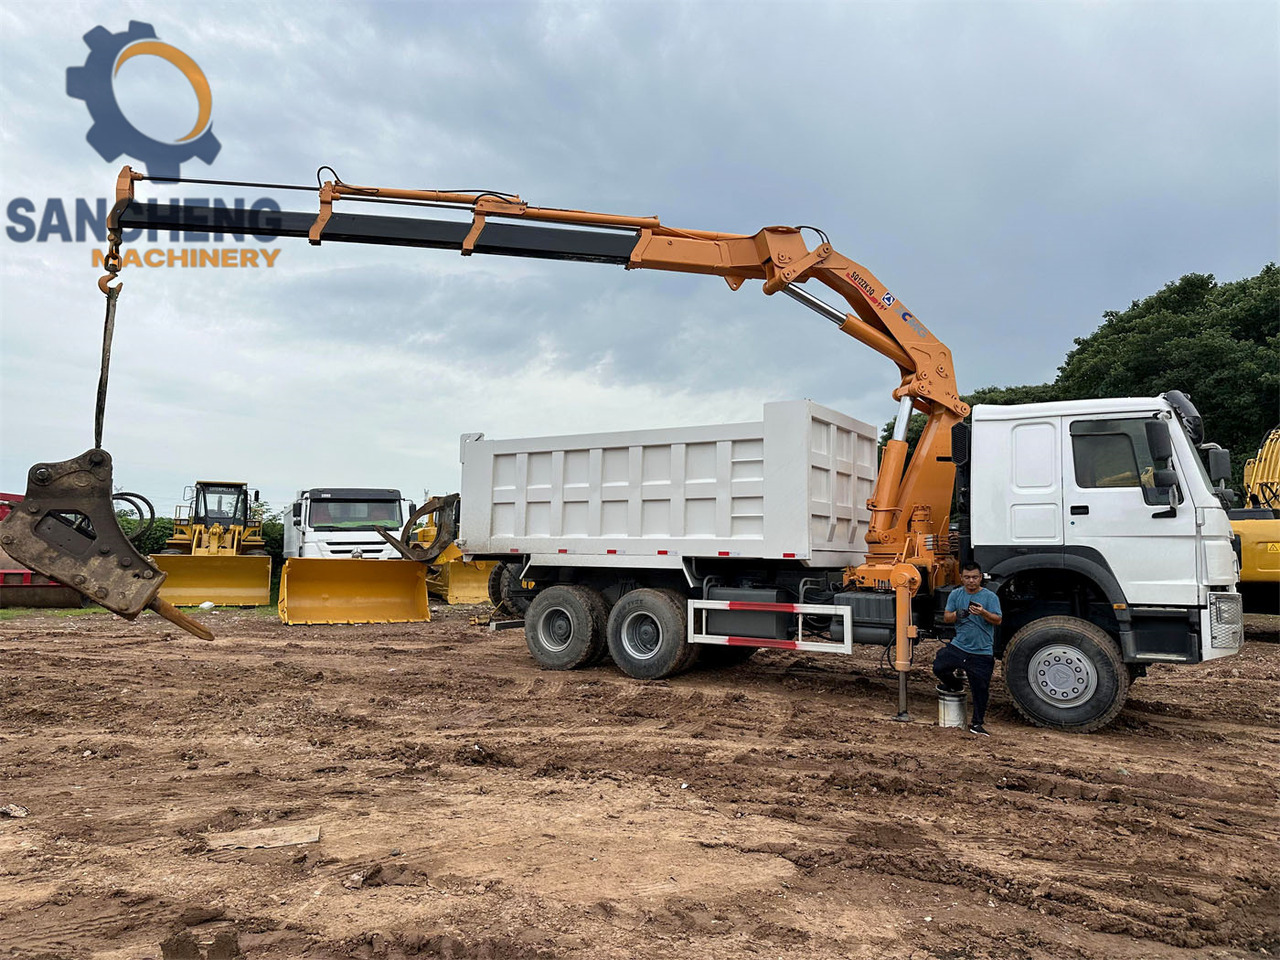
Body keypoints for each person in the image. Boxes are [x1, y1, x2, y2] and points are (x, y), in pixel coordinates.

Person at [936, 561, 1002, 737]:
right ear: (962, 578)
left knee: (980, 689)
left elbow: (997, 620)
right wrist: (959, 614)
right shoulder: (956, 595)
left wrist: (983, 613)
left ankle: (977, 724)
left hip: (981, 651)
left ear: (980, 578)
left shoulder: (990, 597)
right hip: (959, 646)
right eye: (967, 577)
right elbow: (947, 617)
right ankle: (955, 685)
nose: (971, 581)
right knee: (939, 665)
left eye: (974, 577)